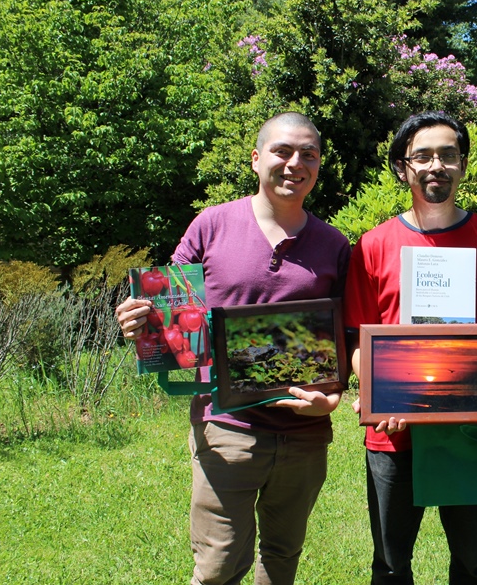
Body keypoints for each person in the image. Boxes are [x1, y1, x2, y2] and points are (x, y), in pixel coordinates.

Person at [114, 112, 351, 585]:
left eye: (309, 154)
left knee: (281, 561)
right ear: (256, 158)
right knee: (219, 567)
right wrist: (138, 318)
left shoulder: (333, 244)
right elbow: (169, 303)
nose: (295, 163)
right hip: (226, 425)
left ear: (319, 165)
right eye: (283, 151)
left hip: (304, 431)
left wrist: (335, 394)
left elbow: (344, 335)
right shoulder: (212, 224)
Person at [343, 111, 477, 584]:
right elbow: (355, 339)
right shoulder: (372, 245)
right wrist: (381, 388)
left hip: (468, 427)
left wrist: (467, 370)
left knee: (471, 562)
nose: (436, 165)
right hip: (394, 428)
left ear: (463, 165)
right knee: (390, 564)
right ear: (404, 168)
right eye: (423, 156)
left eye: (448, 155)